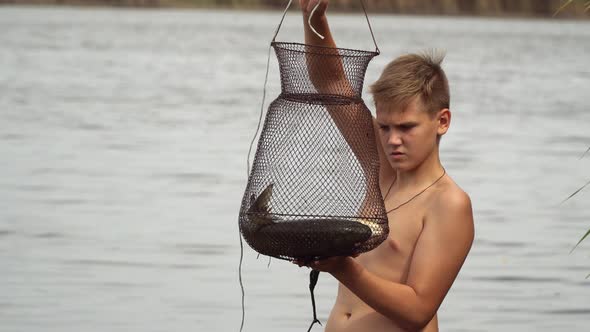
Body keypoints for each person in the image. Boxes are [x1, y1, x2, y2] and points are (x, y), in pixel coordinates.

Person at [294, 1, 475, 331]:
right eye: (384, 126)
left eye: (406, 128)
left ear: (442, 121)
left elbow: (418, 310)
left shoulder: (448, 203)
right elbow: (332, 83)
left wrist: (345, 269)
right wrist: (313, 16)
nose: (392, 140)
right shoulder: (378, 167)